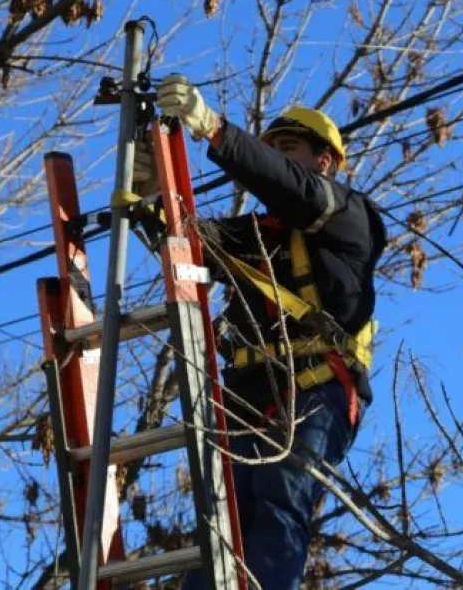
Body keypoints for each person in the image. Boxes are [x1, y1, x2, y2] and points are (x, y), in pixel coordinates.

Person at [136, 75, 386, 589]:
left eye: (289, 147)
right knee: (220, 523)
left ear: (324, 160)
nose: (277, 157)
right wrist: (152, 192)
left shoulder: (349, 216)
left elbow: (289, 188)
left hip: (316, 386)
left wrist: (215, 131)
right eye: (273, 149)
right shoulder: (255, 235)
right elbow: (183, 245)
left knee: (281, 496)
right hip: (248, 395)